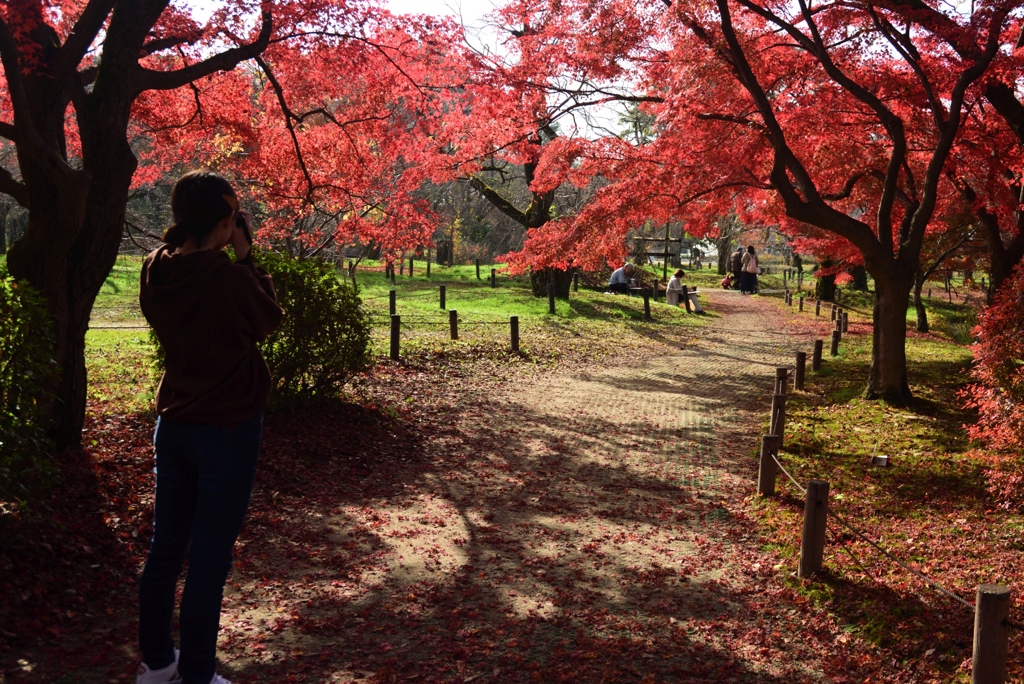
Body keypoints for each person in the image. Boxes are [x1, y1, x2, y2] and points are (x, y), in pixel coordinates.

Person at [136, 171, 284, 684]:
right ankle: (198, 674)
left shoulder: (154, 269)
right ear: (224, 222)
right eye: (231, 219)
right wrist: (246, 258)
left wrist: (229, 249)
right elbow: (267, 319)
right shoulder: (224, 275)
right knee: (209, 558)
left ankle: (157, 664)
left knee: (166, 547)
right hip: (228, 428)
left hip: (174, 420)